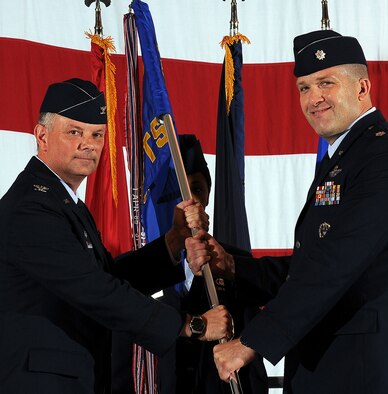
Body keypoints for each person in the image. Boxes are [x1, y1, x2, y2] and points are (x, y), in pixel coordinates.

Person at [186, 29, 388, 394]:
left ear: (362, 88)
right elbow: (309, 265)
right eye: (304, 88)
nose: (314, 98)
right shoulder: (345, 156)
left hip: (365, 371)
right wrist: (232, 265)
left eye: (326, 83)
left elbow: (335, 266)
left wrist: (250, 343)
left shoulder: (386, 159)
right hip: (327, 369)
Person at [0, 78, 232, 394]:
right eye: (74, 132)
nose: (88, 144)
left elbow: (106, 276)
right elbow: (95, 290)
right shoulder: (31, 207)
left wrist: (172, 243)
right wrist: (193, 325)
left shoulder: (61, 201)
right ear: (42, 136)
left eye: (97, 134)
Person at [112, 134, 268, 394]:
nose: (188, 201)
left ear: (208, 195)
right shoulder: (138, 270)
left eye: (196, 189)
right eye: (176, 192)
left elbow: (252, 355)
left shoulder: (234, 263)